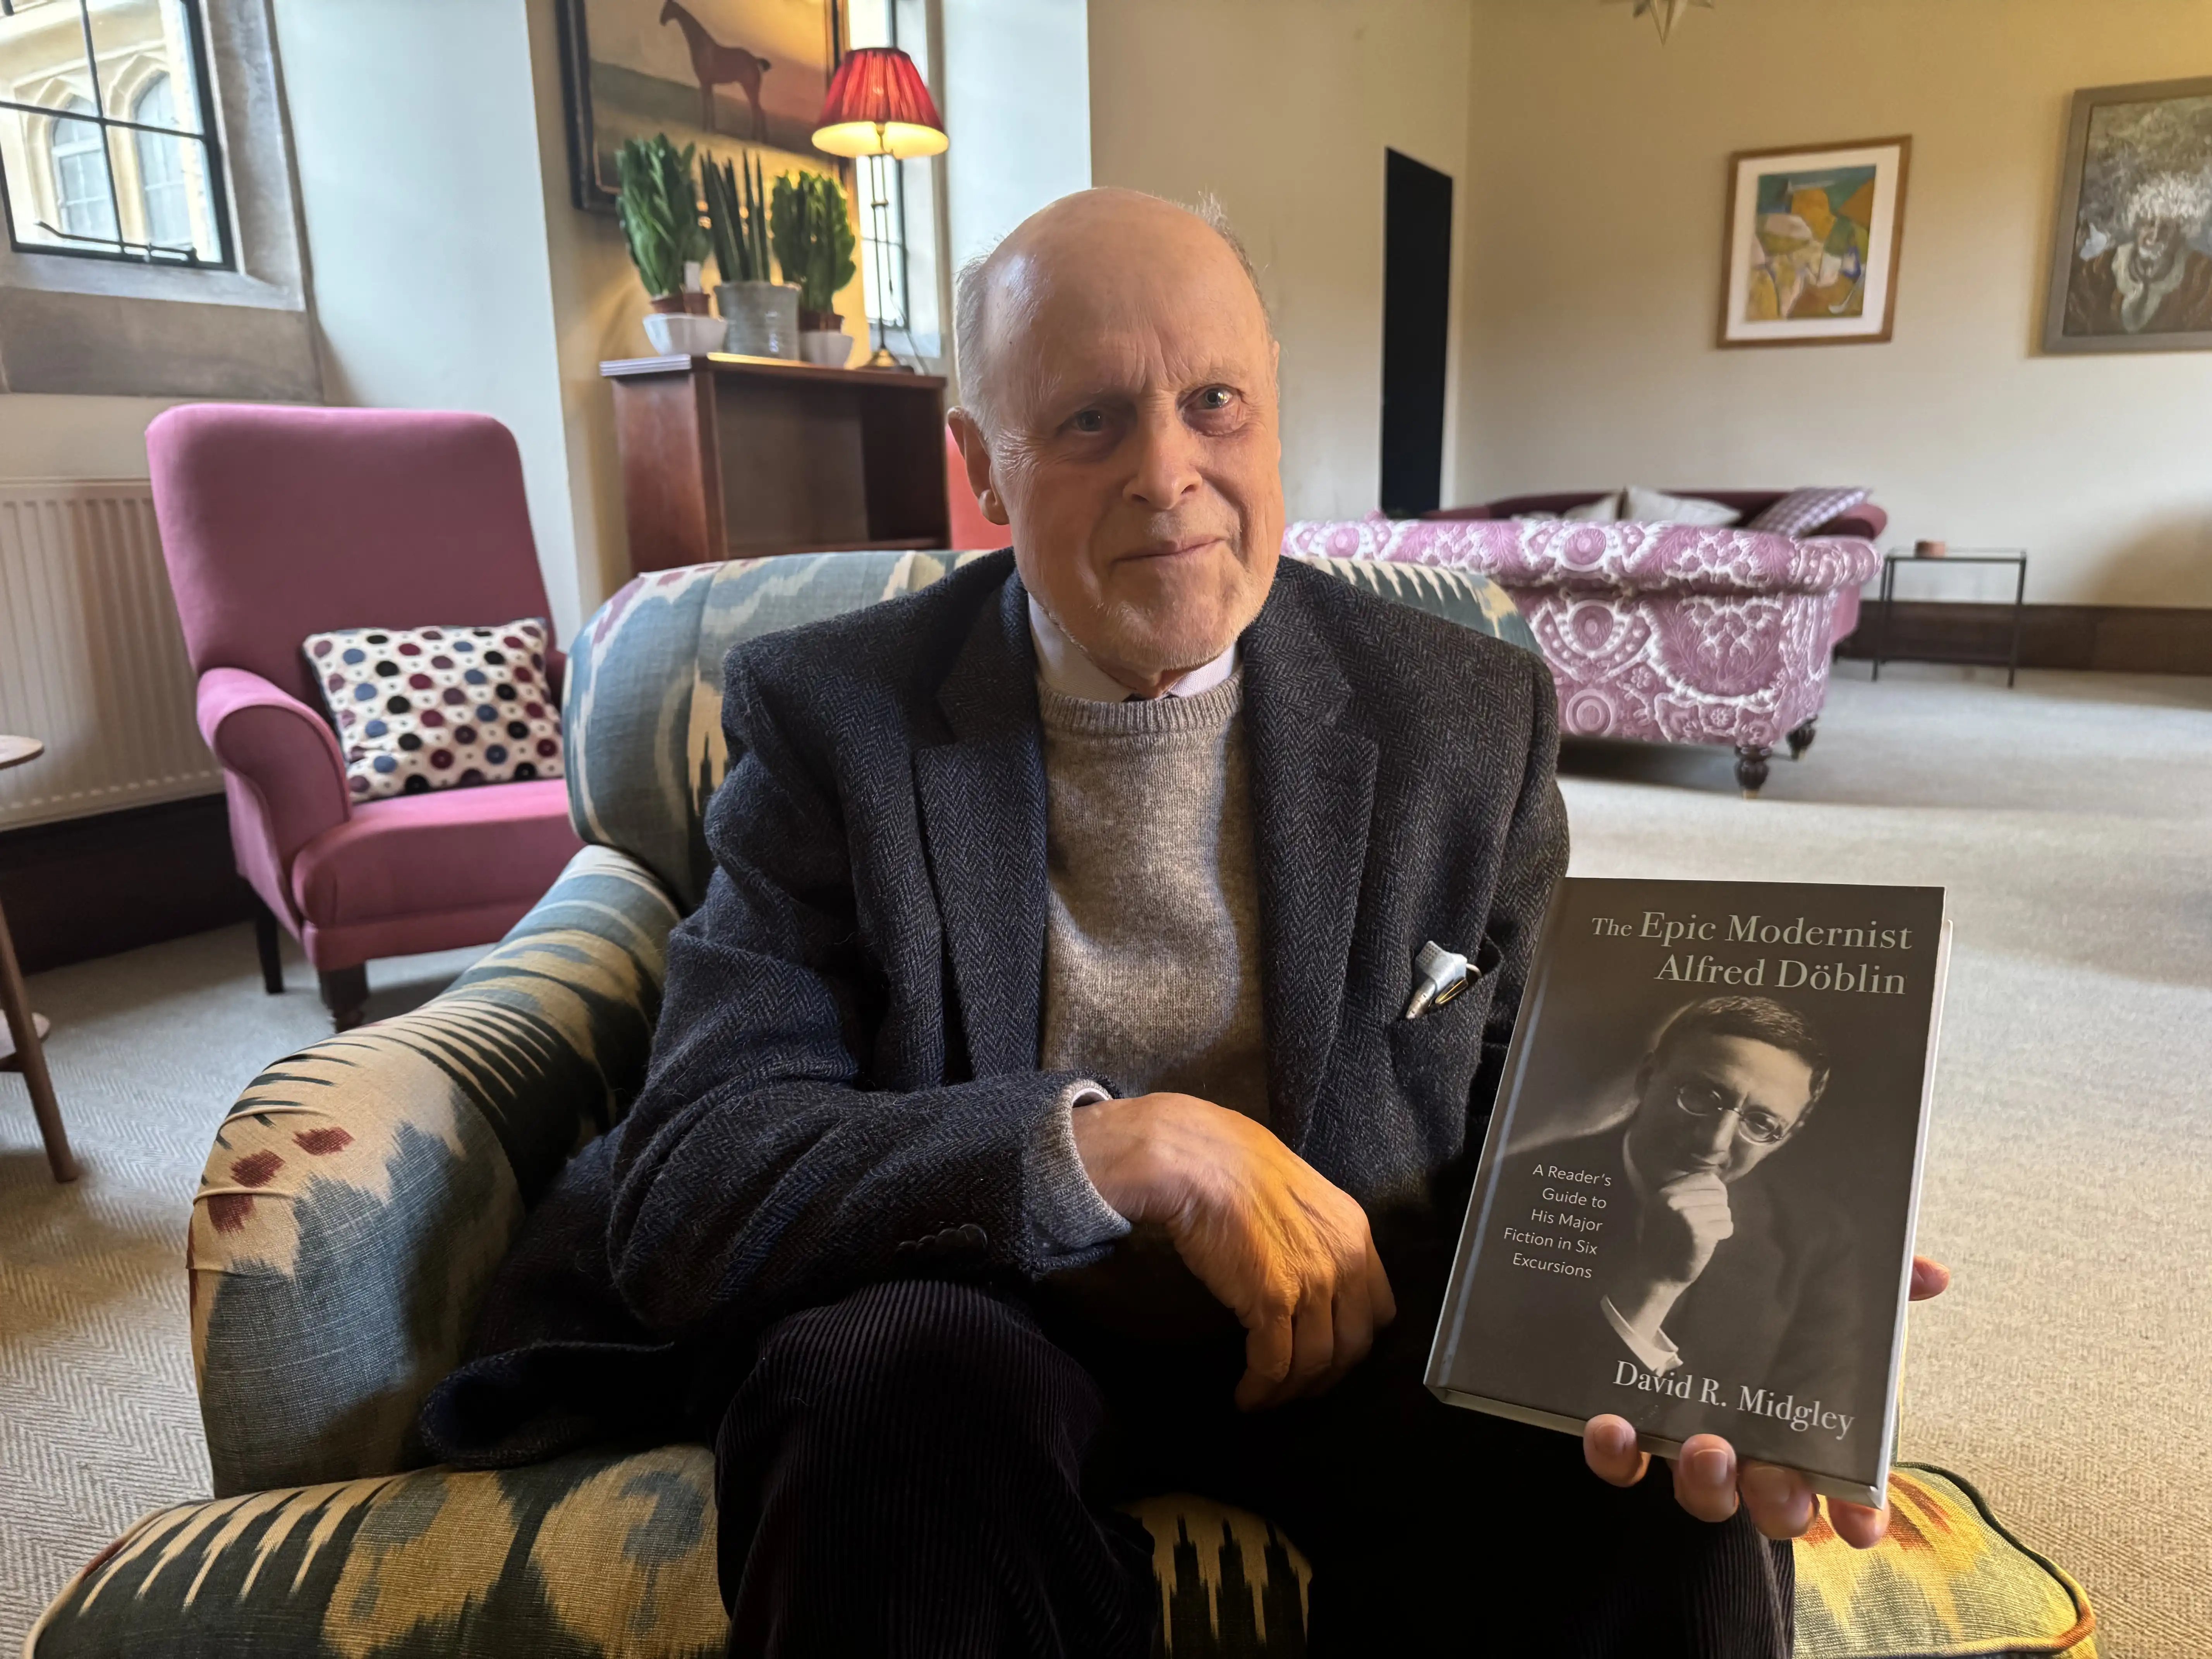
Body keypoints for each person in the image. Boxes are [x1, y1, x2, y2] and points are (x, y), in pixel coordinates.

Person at [422, 188, 1946, 1656]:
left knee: (1644, 1473)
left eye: (1215, 403)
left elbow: (1534, 1119)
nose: (1169, 474)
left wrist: (1766, 1271)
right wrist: (1111, 1147)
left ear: (1273, 412)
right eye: (1091, 419)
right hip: (983, 1311)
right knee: (874, 1396)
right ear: (984, 464)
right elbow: (695, 1172)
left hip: (1361, 1319)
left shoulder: (1464, 717)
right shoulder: (836, 718)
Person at [1491, 997, 1871, 1418]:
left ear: (1786, 1137)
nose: (1714, 1142)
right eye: (1702, 1095)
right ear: (1647, 1078)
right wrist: (1656, 1285)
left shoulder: (1816, 1242)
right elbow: (1504, 1395)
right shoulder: (1507, 1187)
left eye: (1761, 1123)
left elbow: (1807, 1431)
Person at [2064, 170, 2212, 336]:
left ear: (2180, 234)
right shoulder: (2101, 266)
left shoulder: (2202, 274)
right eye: (2149, 224)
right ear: (2136, 225)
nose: (2155, 236)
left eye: (2166, 228)